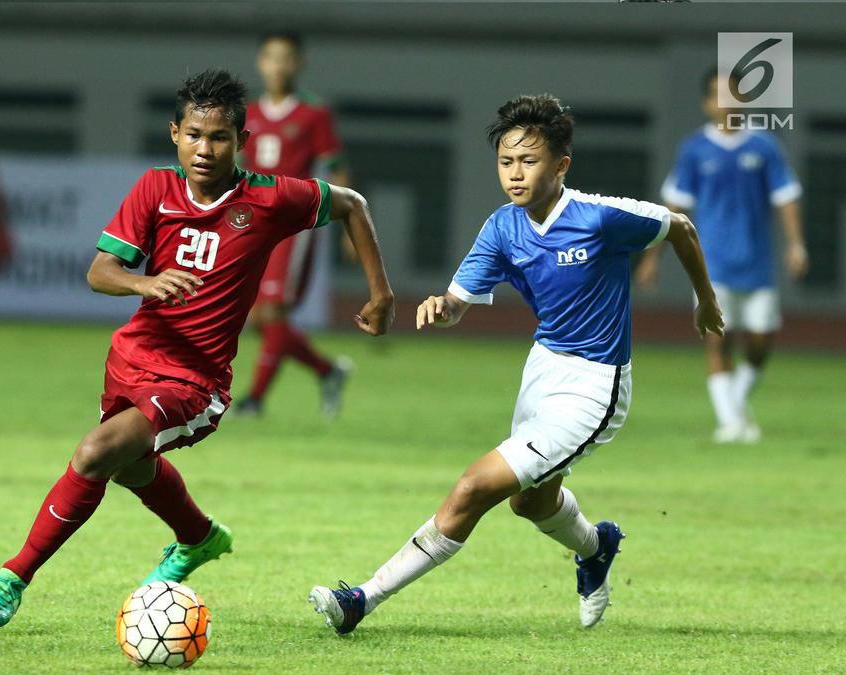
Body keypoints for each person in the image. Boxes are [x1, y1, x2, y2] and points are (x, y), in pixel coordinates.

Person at [0, 68, 394, 631]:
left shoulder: (269, 200)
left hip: (194, 381)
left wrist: (380, 292)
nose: (205, 149)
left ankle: (12, 578)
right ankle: (197, 537)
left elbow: (353, 203)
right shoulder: (154, 189)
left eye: (219, 138)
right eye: (194, 135)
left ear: (241, 141)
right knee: (127, 466)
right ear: (175, 133)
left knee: (96, 453)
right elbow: (100, 272)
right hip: (131, 359)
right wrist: (145, 283)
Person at [309, 94, 724, 633]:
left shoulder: (599, 217)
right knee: (530, 504)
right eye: (506, 161)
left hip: (594, 387)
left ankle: (361, 599)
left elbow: (682, 228)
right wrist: (443, 307)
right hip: (541, 372)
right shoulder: (503, 227)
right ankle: (597, 548)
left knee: (473, 488)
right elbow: (460, 301)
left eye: (529, 161)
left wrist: (706, 300)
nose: (515, 173)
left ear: (561, 165)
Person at [637, 66, 809, 443]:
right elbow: (675, 209)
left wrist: (796, 244)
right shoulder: (695, 150)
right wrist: (652, 258)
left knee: (761, 343)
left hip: (758, 264)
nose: (726, 102)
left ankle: (736, 405)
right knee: (718, 340)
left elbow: (786, 197)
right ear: (706, 103)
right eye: (717, 94)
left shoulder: (764, 146)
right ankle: (731, 423)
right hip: (711, 265)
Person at [234, 32, 354, 419]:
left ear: (298, 64)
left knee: (273, 314)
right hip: (256, 223)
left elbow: (336, 169)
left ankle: (253, 401)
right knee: (259, 320)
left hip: (293, 223)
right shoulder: (248, 112)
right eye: (270, 57)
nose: (278, 65)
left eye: (286, 58)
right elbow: (242, 169)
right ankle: (328, 371)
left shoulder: (313, 113)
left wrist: (352, 223)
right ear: (260, 62)